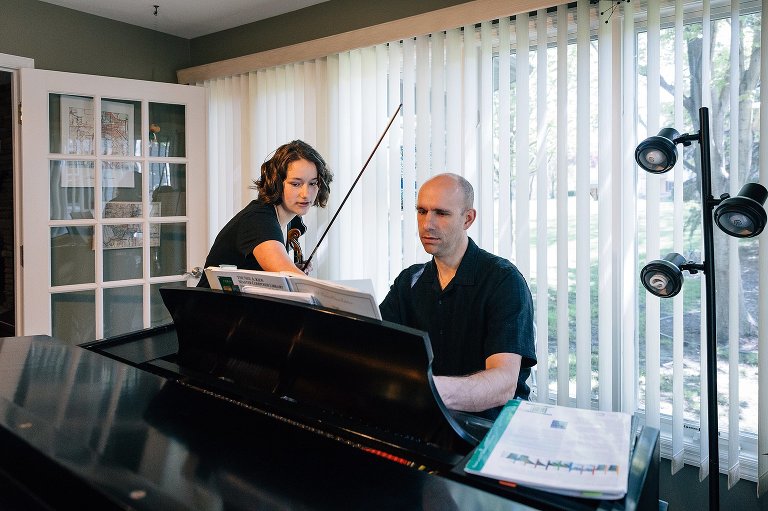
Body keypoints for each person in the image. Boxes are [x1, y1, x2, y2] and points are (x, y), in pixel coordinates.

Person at [379, 173, 536, 421]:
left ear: (468, 219)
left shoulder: (504, 281)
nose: (427, 224)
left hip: (487, 428)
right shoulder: (408, 281)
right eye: (422, 211)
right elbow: (378, 348)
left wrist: (422, 389)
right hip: (425, 419)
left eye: (441, 213)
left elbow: (504, 384)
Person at [197, 140, 332, 288]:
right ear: (277, 183)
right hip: (207, 308)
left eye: (313, 183)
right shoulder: (258, 219)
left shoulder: (291, 220)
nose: (306, 194)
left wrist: (292, 270)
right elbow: (290, 276)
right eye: (295, 184)